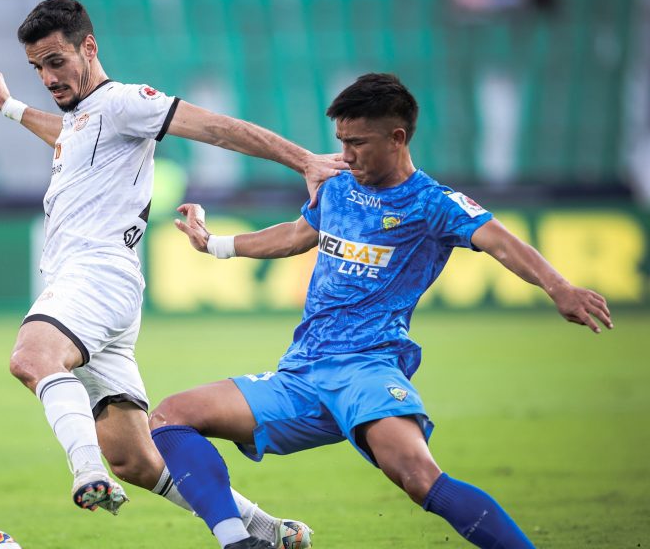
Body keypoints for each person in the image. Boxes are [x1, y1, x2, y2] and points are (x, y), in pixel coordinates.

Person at [150, 73, 613, 549]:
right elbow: (293, 236)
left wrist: (560, 288)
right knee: (172, 416)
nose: (345, 155)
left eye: (357, 143)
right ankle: (240, 542)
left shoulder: (433, 204)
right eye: (341, 142)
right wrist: (215, 244)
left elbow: (500, 242)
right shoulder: (337, 188)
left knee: (418, 477)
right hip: (301, 374)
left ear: (397, 138)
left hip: (366, 370)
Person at [0, 0, 344, 548]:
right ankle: (269, 531)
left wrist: (305, 160)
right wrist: (8, 105)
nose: (47, 77)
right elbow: (69, 139)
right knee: (137, 459)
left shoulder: (123, 102)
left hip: (95, 276)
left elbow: (216, 128)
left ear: (88, 48)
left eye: (56, 61)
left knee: (33, 358)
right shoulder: (83, 118)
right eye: (37, 68)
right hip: (104, 294)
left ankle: (85, 473)